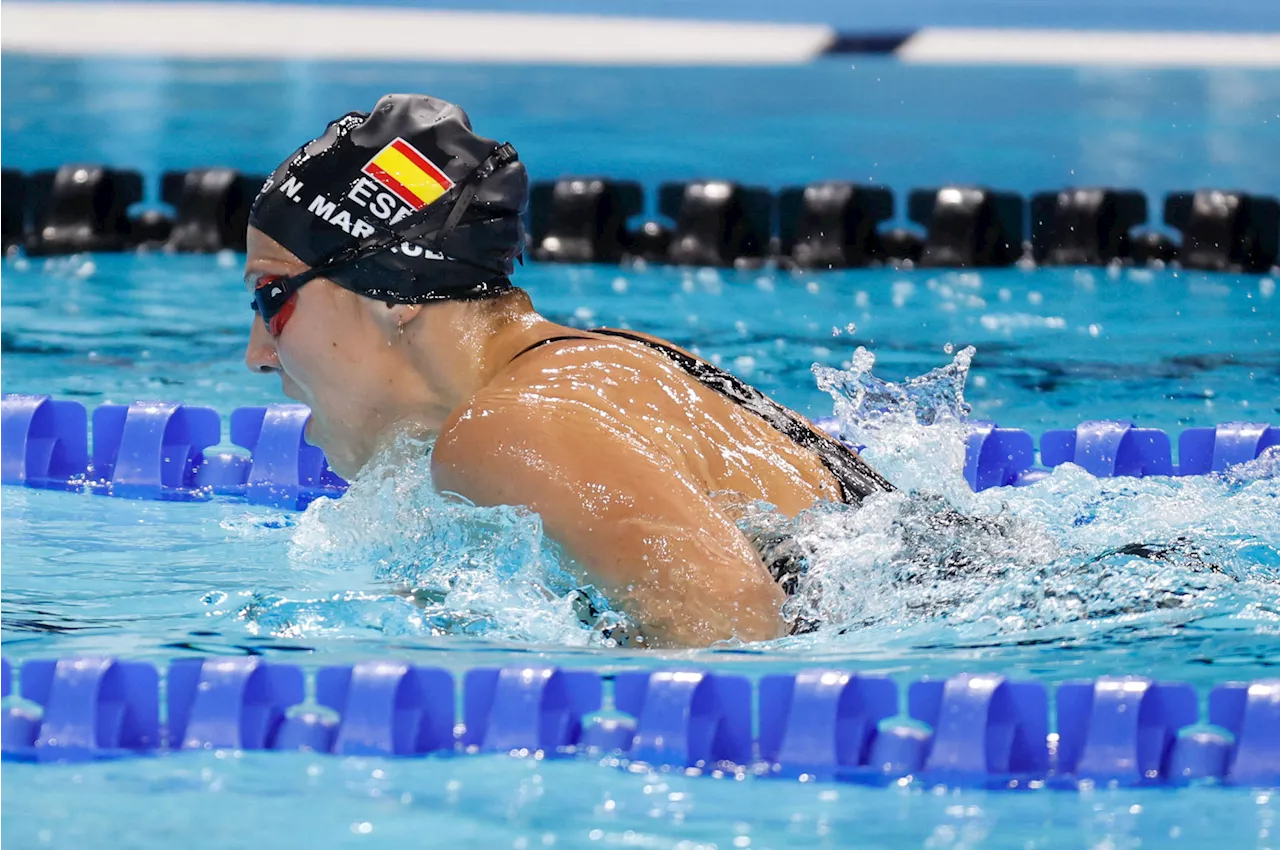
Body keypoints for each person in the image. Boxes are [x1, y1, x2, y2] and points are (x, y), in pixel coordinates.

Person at [243, 94, 893, 648]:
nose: (259, 354)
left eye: (272, 297)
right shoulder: (616, 358)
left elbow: (732, 640)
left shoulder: (510, 427)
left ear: (396, 292)